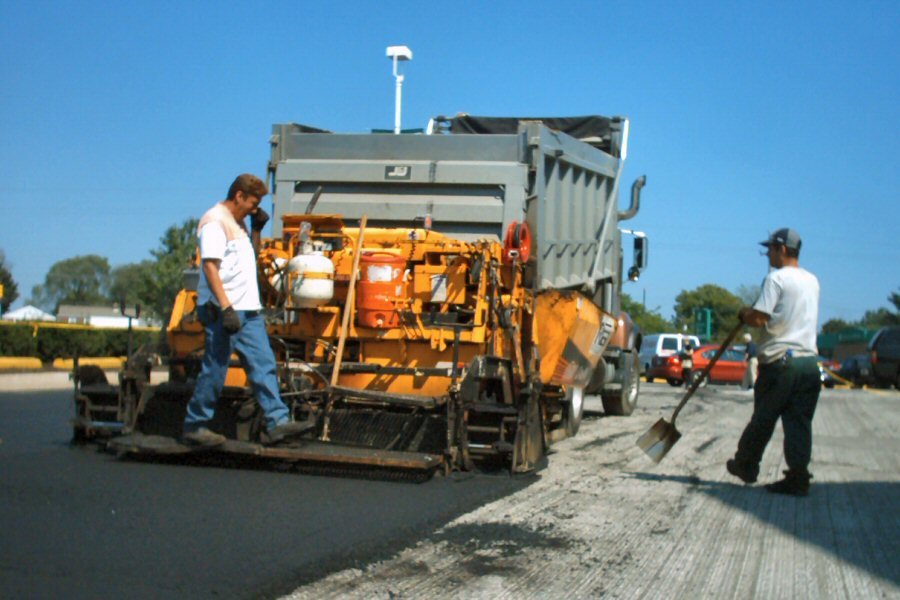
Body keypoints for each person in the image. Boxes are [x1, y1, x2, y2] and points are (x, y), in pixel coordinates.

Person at [182, 174, 311, 446]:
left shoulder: (238, 223)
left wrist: (256, 229)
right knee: (215, 370)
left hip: (248, 310)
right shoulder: (215, 222)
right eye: (253, 203)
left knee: (264, 365)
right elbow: (210, 266)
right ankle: (195, 425)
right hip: (224, 309)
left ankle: (278, 424)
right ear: (238, 195)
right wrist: (226, 308)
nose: (255, 208)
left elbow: (245, 260)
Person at [726, 228, 821, 496]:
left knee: (764, 418)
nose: (767, 253)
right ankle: (798, 477)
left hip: (781, 363)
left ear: (781, 249)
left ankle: (746, 464)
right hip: (809, 364)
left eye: (770, 248)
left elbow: (759, 319)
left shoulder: (776, 279)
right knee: (799, 422)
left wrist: (745, 313)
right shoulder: (813, 281)